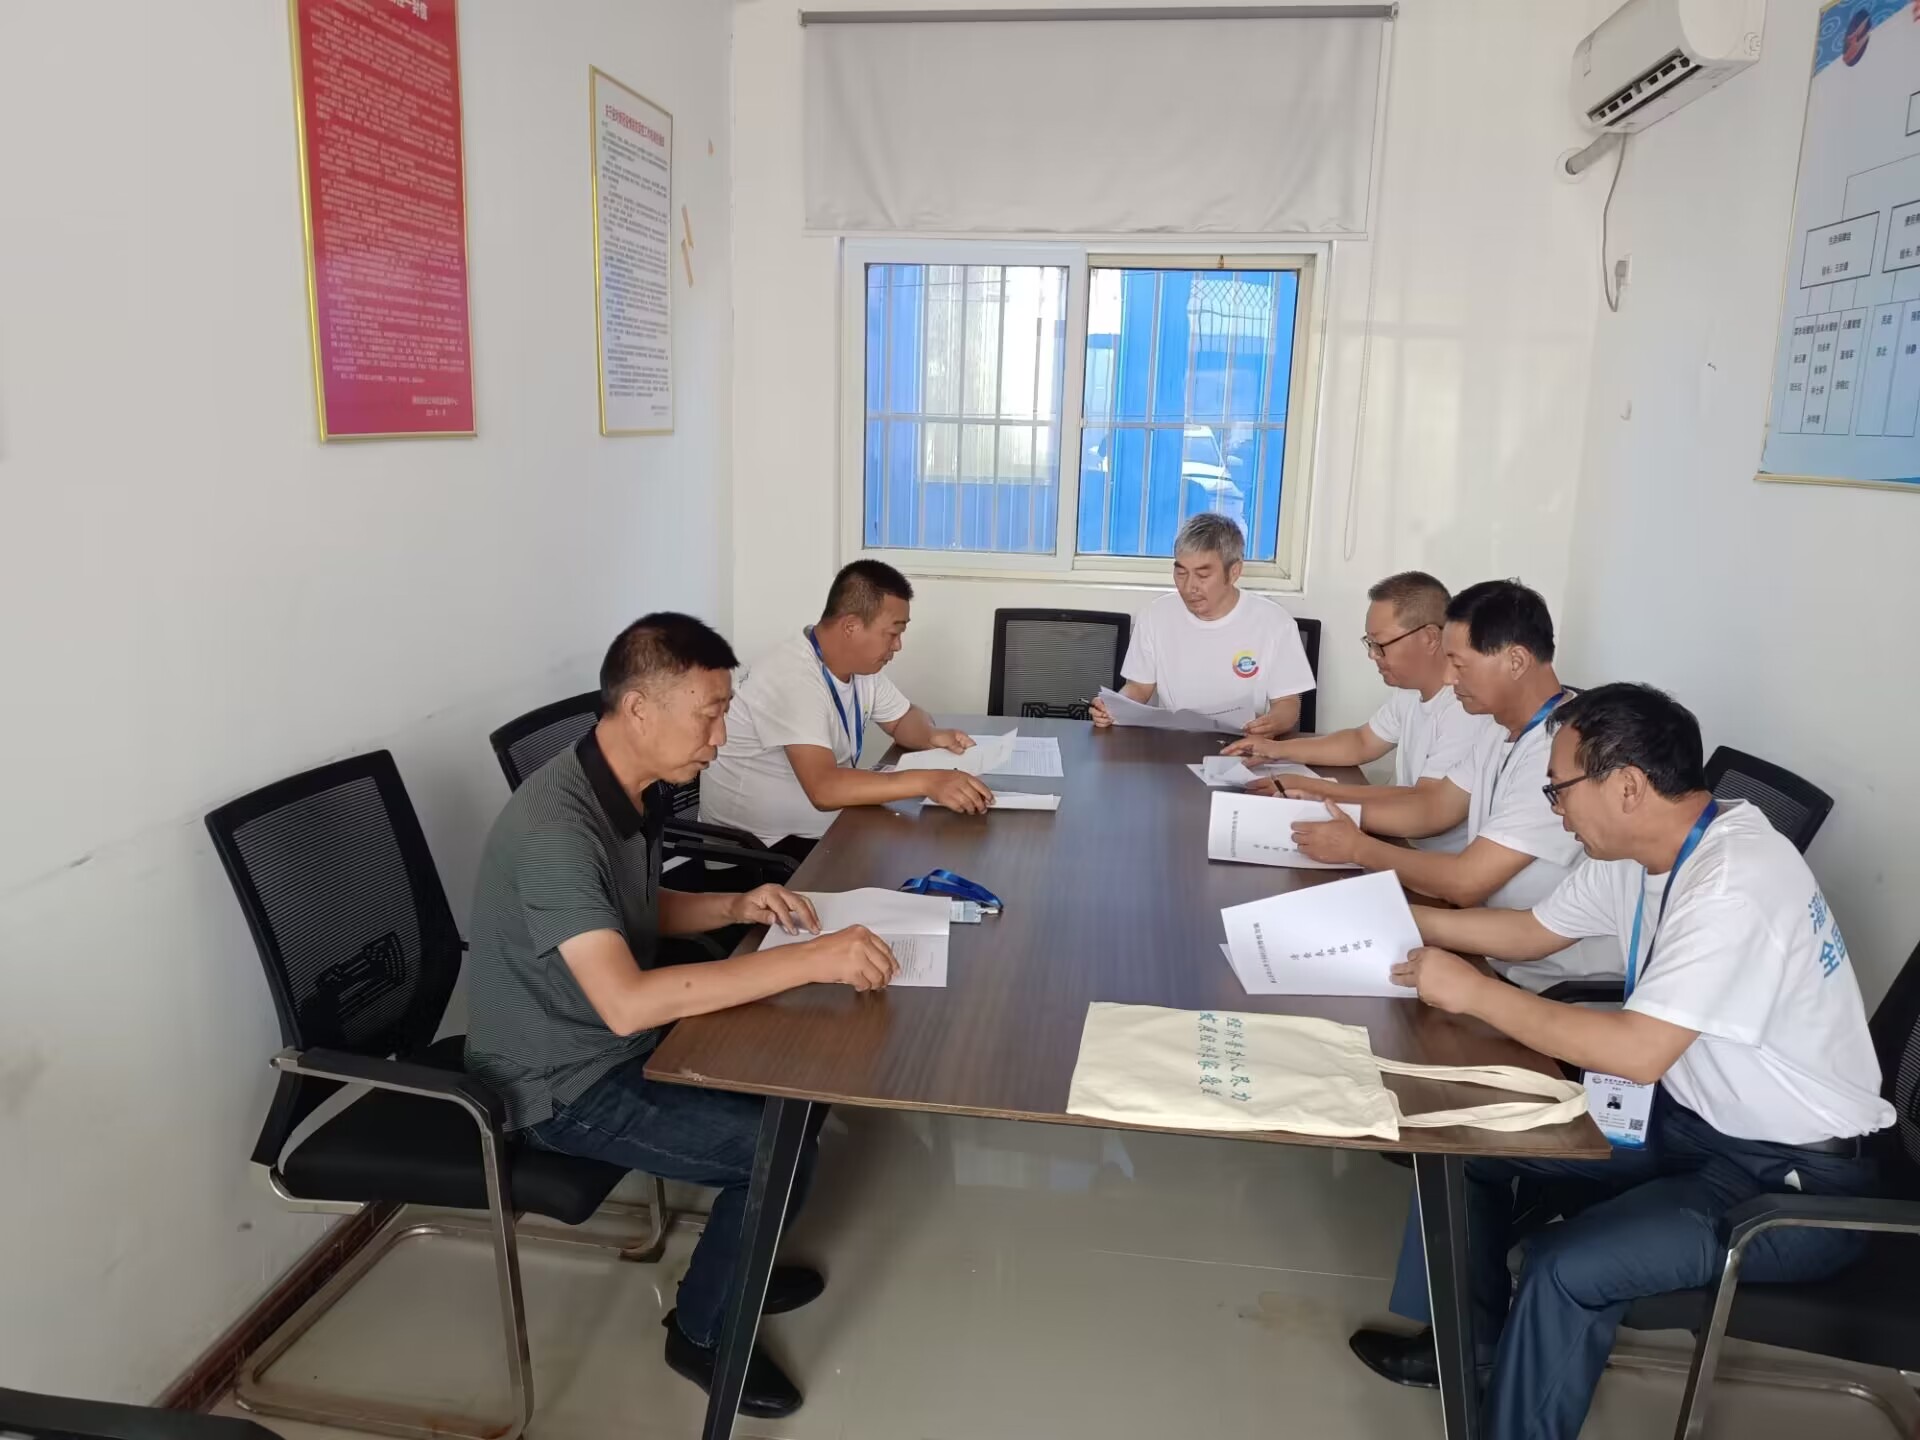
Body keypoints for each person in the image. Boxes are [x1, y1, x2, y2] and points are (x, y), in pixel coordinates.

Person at [1347, 683, 1892, 1440]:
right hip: (1694, 1125)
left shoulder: (1736, 882)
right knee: (1467, 1143)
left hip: (1793, 1184)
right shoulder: (1649, 848)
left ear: (1628, 786)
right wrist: (1390, 921)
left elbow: (1636, 1053)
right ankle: (1467, 1351)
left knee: (1568, 1267)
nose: (1554, 807)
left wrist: (1473, 992)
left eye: (1559, 788)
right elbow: (1532, 931)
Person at [464, 613, 902, 1419]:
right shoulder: (555, 829)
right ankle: (700, 1333)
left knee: (803, 1084)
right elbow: (627, 1002)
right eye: (709, 714)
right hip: (555, 1083)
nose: (721, 735)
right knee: (770, 1152)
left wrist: (734, 904)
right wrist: (811, 958)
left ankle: (740, 1260)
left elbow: (627, 907)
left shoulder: (625, 785)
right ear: (639, 710)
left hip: (605, 1036)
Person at [1288, 579, 1612, 989]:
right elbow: (1436, 806)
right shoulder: (1500, 727)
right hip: (1484, 943)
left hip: (1540, 979)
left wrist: (1357, 848)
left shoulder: (1564, 754)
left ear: (1515, 661)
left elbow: (1465, 881)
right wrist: (1331, 807)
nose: (1449, 677)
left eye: (1459, 664)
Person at [699, 560, 993, 857]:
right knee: (922, 854)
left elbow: (903, 718)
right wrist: (927, 781)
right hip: (761, 853)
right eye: (893, 633)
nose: (898, 646)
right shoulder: (792, 676)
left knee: (924, 847)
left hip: (825, 831)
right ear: (851, 626)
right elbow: (824, 789)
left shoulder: (859, 667)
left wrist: (930, 735)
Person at [1222, 570, 1489, 851]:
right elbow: (1361, 742)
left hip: (1429, 859)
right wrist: (1274, 750)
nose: (1373, 655)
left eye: (1380, 645)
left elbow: (1426, 807)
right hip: (1398, 841)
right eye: (1369, 643)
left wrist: (1317, 791)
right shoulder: (1409, 691)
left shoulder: (1464, 708)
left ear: (1431, 637)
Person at [1089, 512, 1315, 737]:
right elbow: (1139, 687)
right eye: (1181, 573)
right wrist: (1115, 708)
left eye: (1203, 576)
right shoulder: (1155, 615)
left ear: (1234, 572)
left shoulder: (1275, 622)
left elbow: (1287, 703)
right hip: (1173, 744)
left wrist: (1271, 723)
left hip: (1244, 743)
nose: (1189, 587)